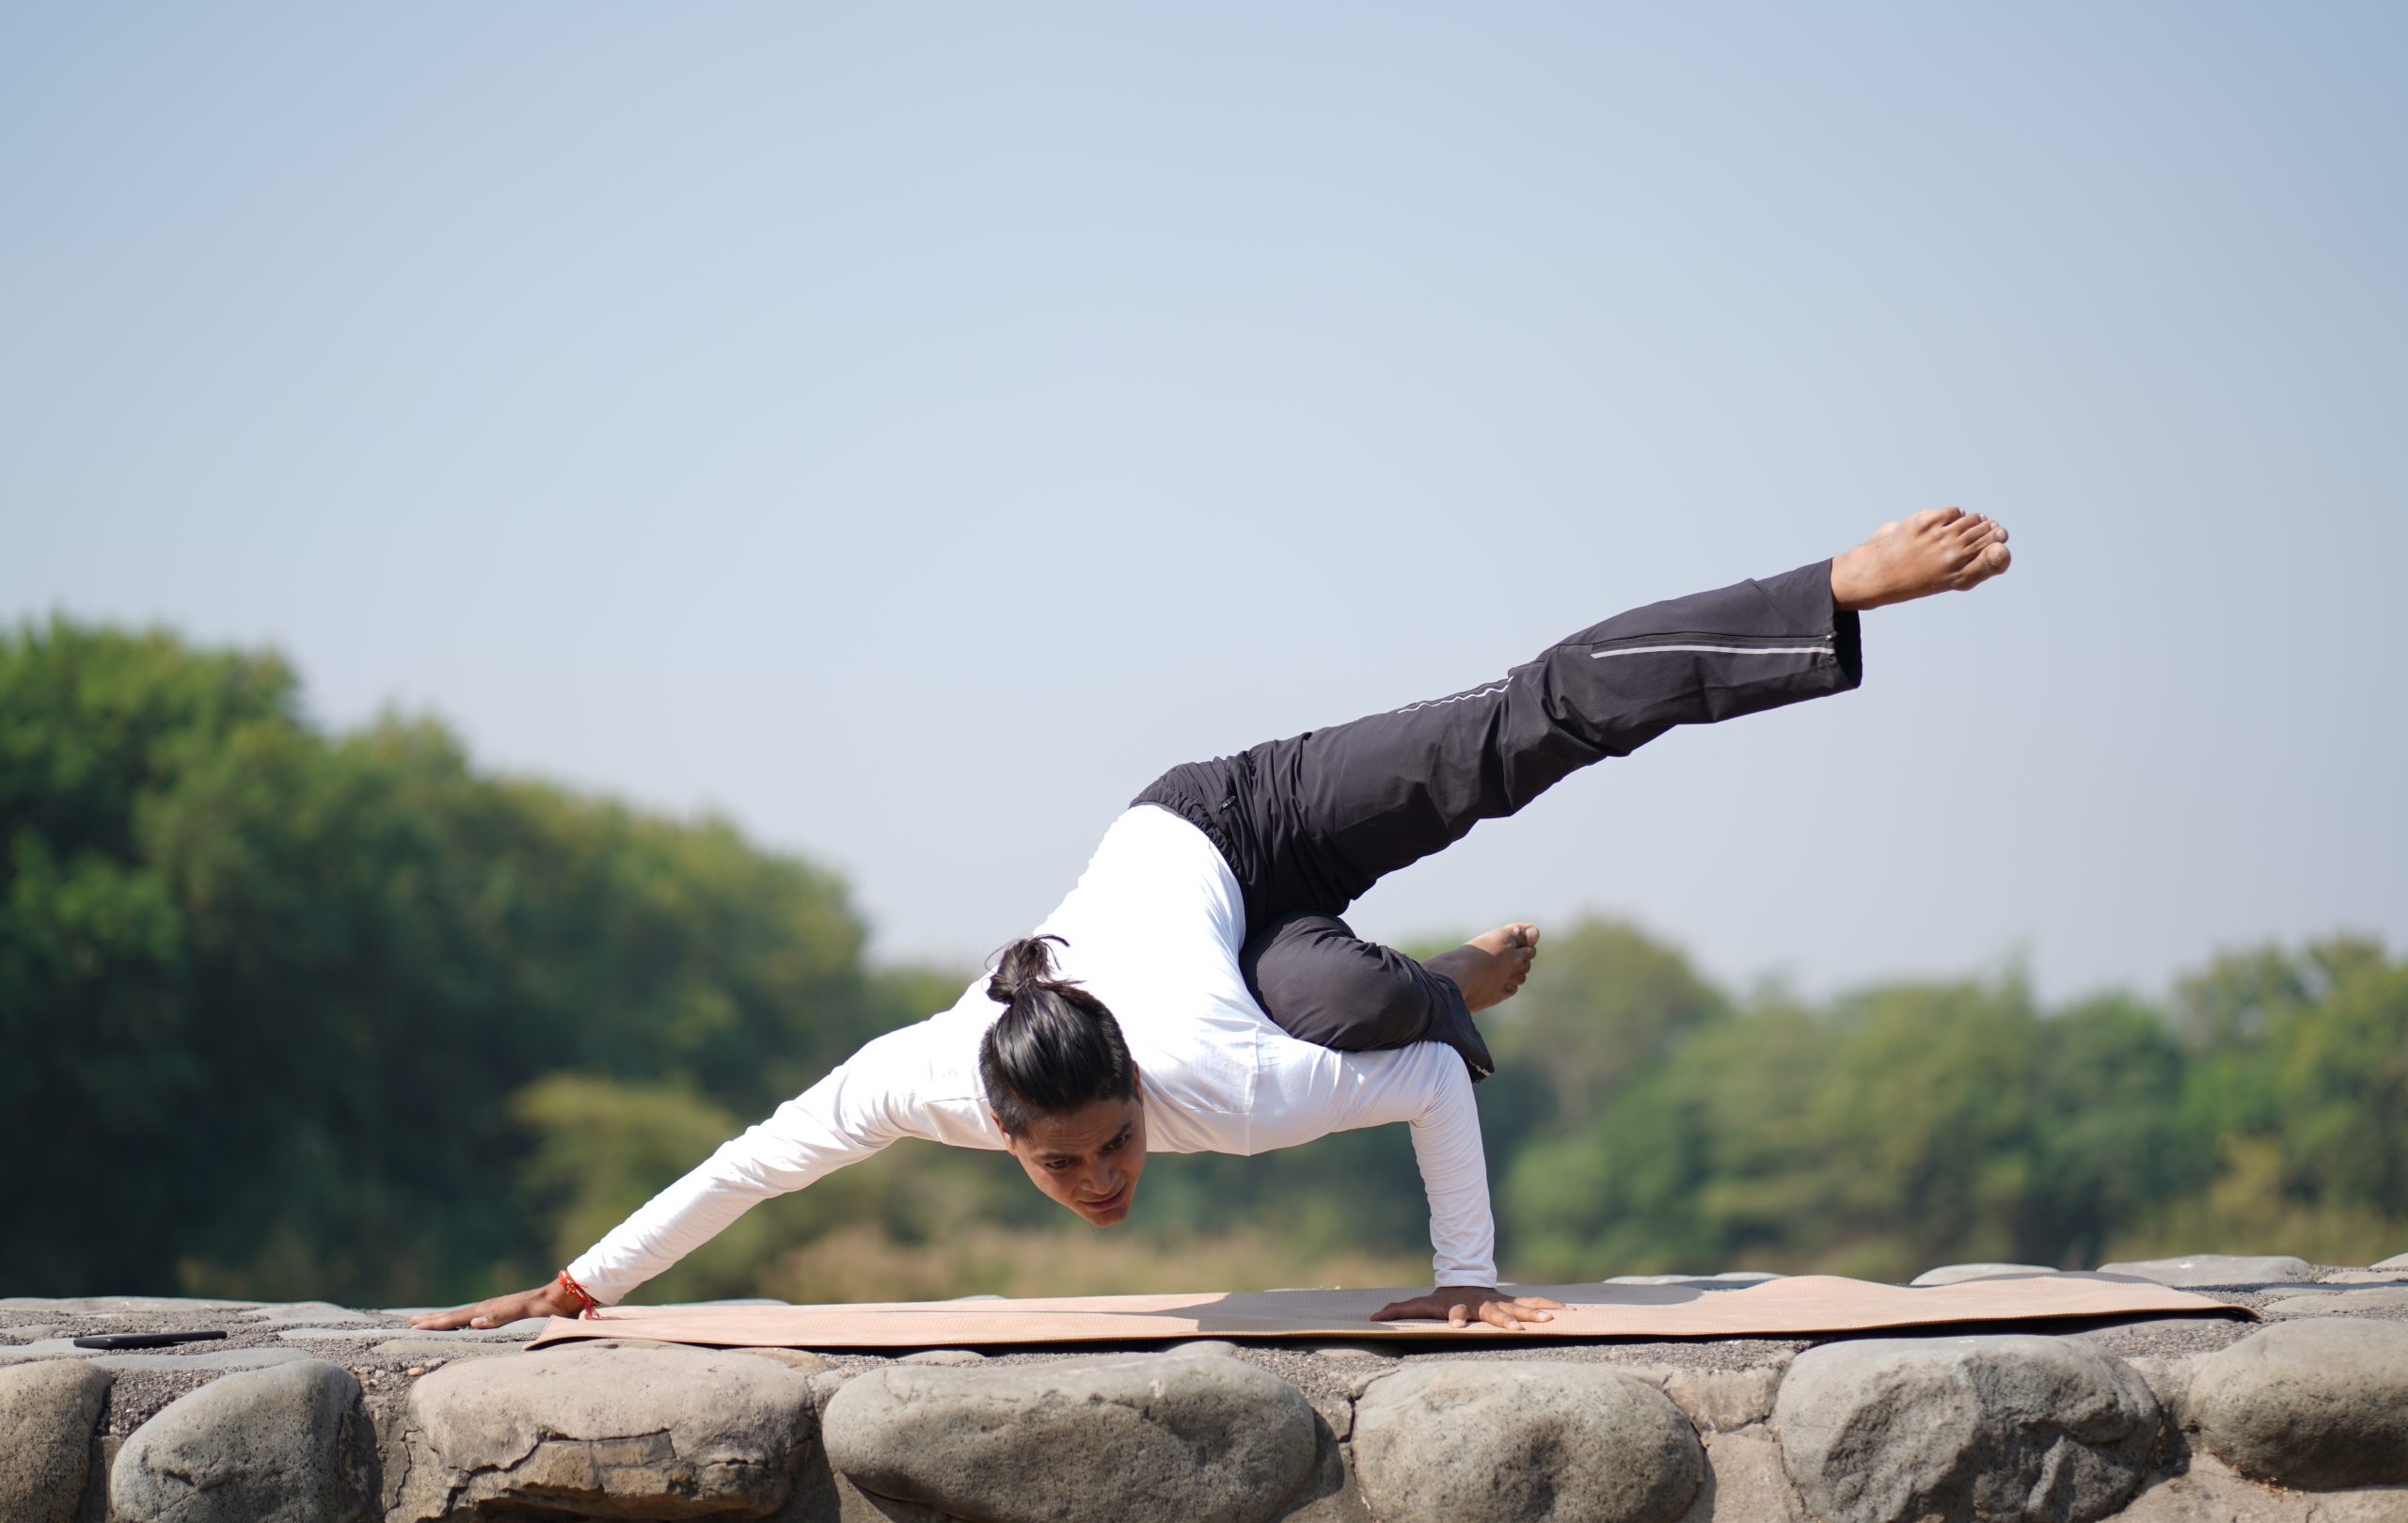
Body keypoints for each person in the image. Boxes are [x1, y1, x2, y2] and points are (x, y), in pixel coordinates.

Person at [416, 506, 2011, 1334]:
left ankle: (1830, 589)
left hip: (1238, 823)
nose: (1105, 1181)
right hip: (1268, 974)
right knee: (1368, 1011)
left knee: (1522, 723)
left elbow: (1436, 1104)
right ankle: (1432, 980)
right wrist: (574, 1290)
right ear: (1002, 1130)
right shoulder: (914, 1082)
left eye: (1110, 1147)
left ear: (1133, 1093)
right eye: (1073, 1166)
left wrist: (1469, 1276)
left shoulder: (1213, 1094)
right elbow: (752, 1160)